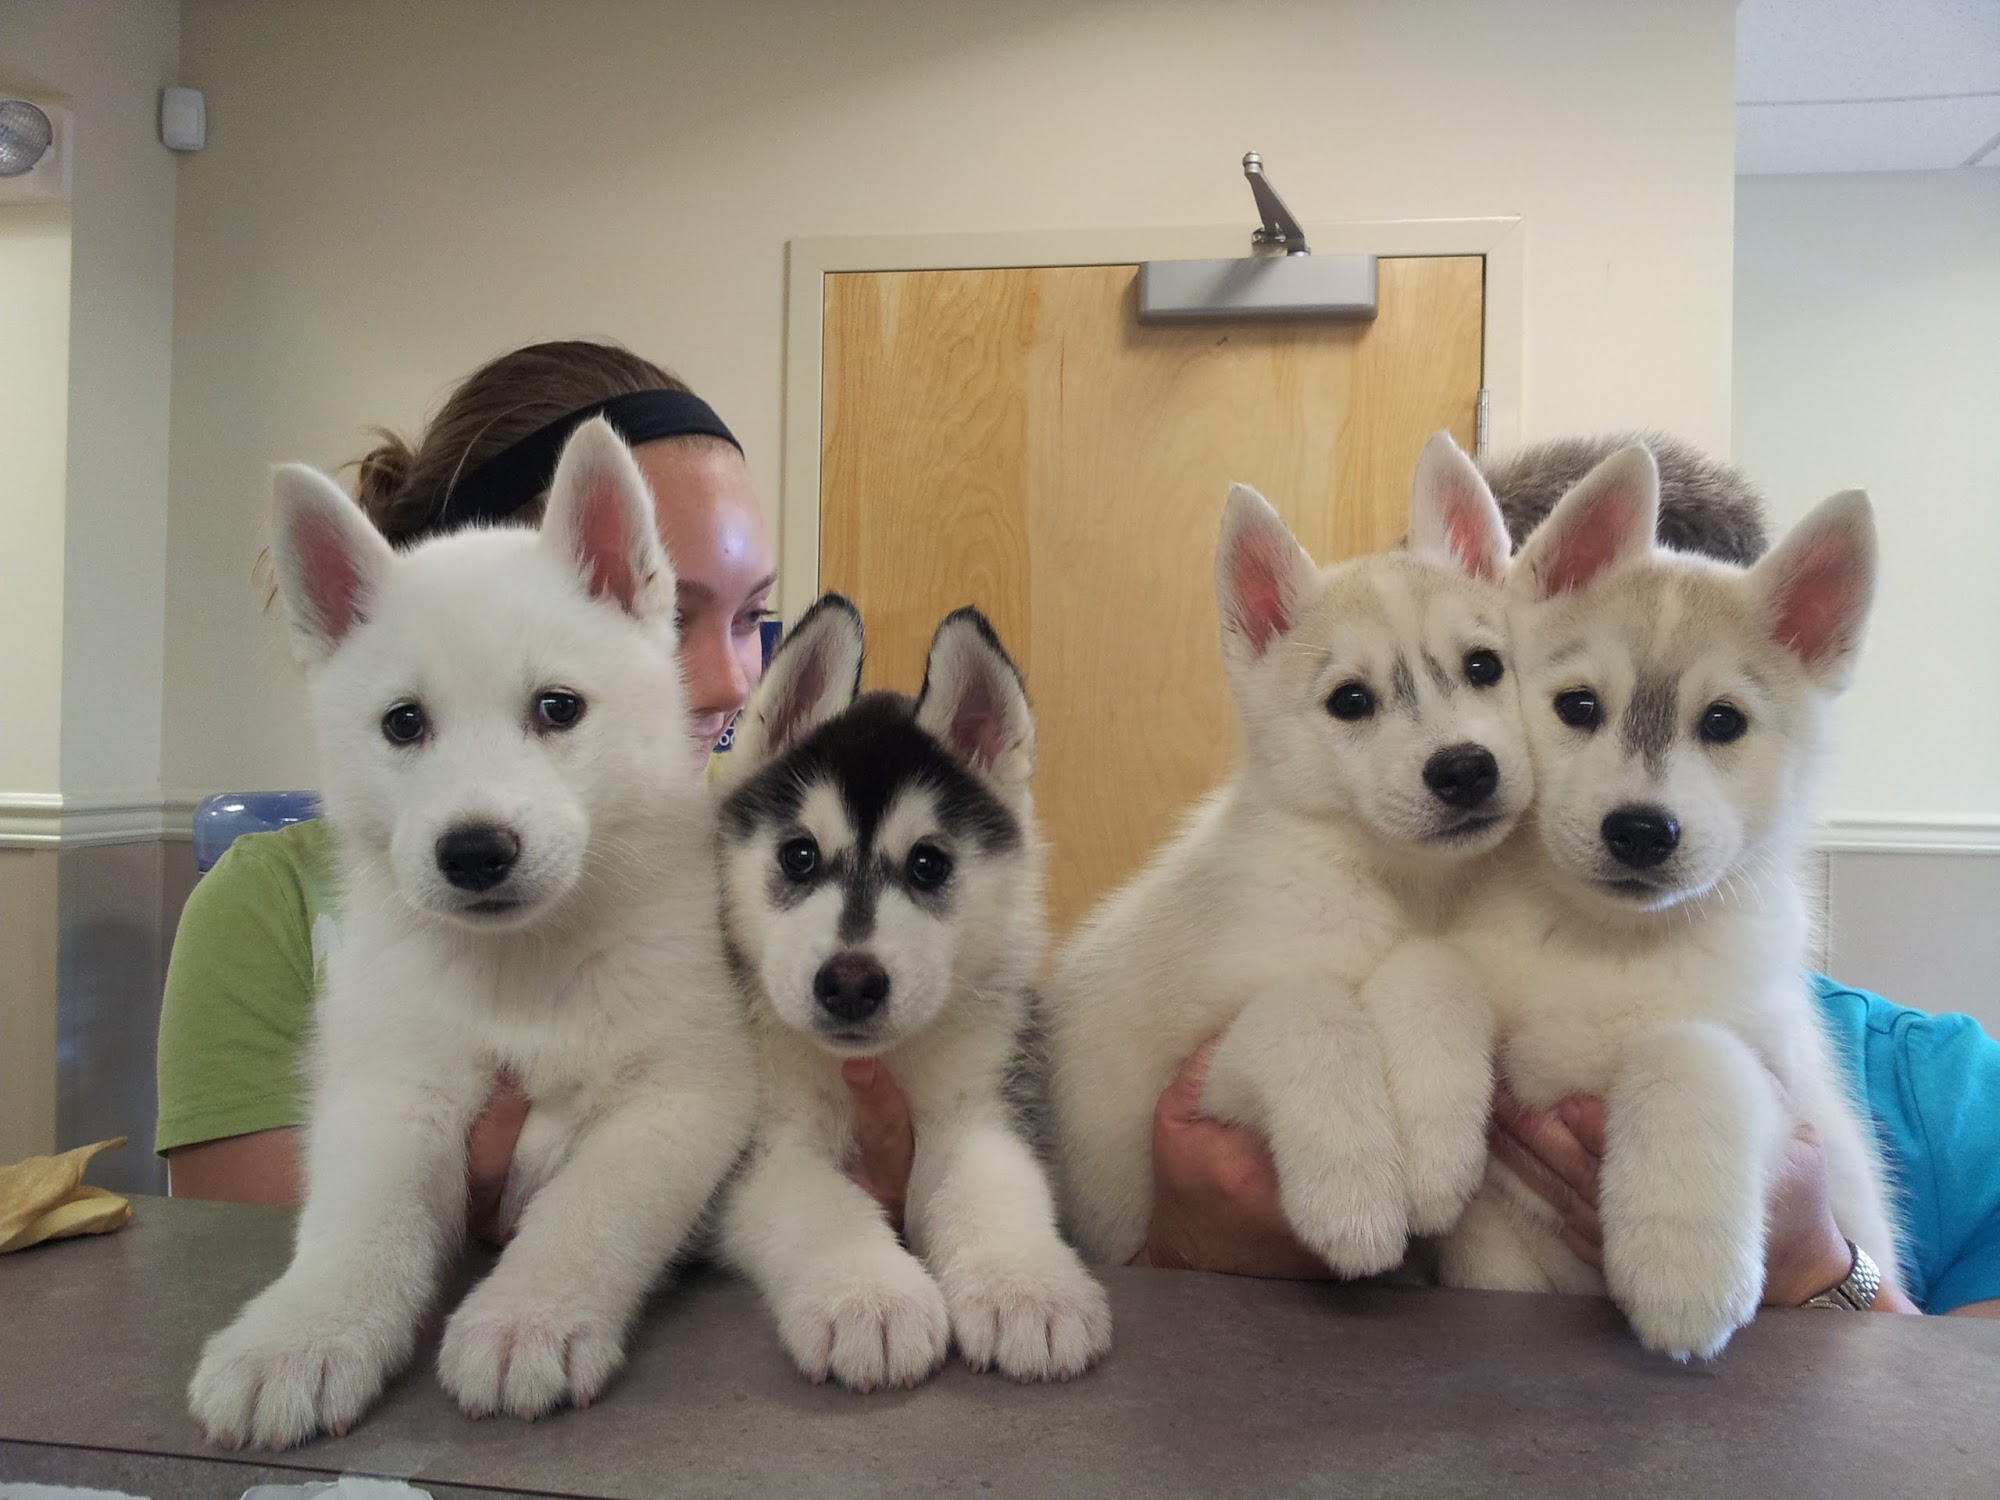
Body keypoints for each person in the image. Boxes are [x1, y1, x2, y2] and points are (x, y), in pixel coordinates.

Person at [157, 340, 779, 1226]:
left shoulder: (764, 874)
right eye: (675, 615)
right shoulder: (266, 908)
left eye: (753, 616)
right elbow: (221, 1262)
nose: (731, 682)